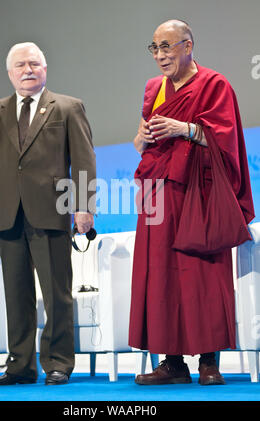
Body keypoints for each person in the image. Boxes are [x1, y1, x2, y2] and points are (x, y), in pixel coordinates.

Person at [128, 20, 254, 386]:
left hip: (197, 190)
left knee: (202, 270)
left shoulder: (215, 84)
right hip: (158, 191)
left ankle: (209, 362)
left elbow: (227, 140)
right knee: (161, 272)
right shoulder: (154, 88)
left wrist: (184, 129)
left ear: (188, 46)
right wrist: (141, 137)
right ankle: (172, 363)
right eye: (154, 48)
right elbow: (142, 142)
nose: (161, 55)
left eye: (167, 46)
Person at [0, 42, 96, 386]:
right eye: (21, 65)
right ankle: (20, 365)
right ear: (10, 73)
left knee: (57, 293)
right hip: (8, 215)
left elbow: (83, 160)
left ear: (45, 69)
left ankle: (58, 362)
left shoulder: (68, 107)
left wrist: (84, 206)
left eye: (34, 64)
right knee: (16, 293)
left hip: (52, 212)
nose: (28, 70)